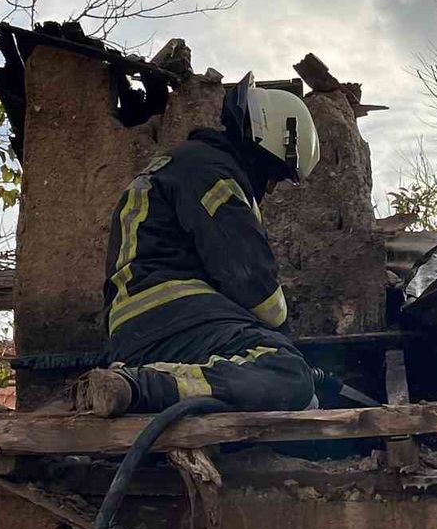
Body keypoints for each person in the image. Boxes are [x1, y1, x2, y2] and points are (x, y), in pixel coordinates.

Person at [77, 73, 321, 417]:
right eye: (275, 175)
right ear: (265, 144)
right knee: (289, 373)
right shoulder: (213, 174)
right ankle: (143, 387)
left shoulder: (182, 165)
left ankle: (136, 384)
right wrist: (282, 337)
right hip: (175, 315)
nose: (270, 188)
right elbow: (253, 281)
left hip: (136, 330)